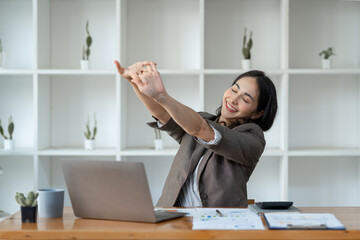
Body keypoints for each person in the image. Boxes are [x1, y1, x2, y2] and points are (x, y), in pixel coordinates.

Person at [114, 60, 277, 207]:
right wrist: (134, 81)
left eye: (246, 99)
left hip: (219, 223)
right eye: (234, 90)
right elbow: (163, 114)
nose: (234, 99)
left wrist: (161, 95)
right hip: (173, 216)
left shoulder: (253, 138)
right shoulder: (201, 119)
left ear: (257, 113)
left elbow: (201, 130)